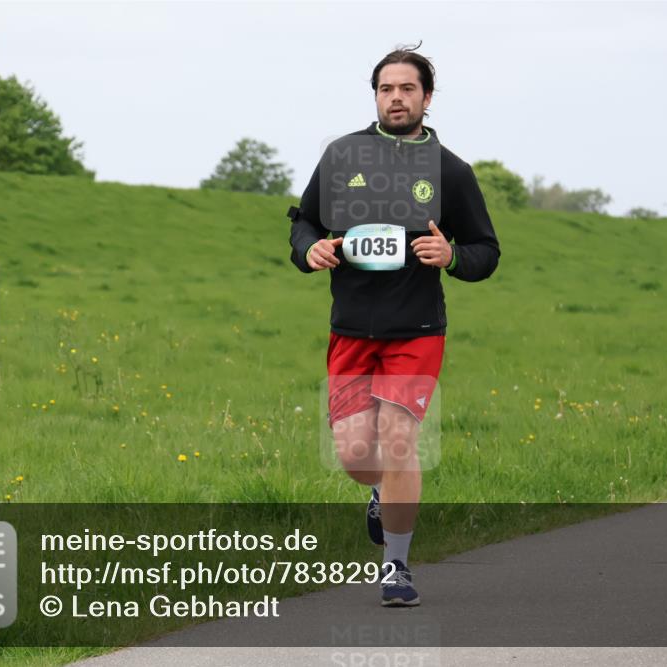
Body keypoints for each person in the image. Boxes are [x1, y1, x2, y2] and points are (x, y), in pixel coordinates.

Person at [287, 45, 500, 605]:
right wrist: (310, 250)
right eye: (386, 89)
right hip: (352, 328)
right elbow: (304, 221)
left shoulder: (450, 171)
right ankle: (380, 491)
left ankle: (397, 568)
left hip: (416, 330)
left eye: (407, 89)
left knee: (400, 442)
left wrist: (451, 255)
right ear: (376, 96)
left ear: (427, 98)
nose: (396, 98)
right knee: (358, 457)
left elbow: (485, 250)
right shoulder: (342, 155)